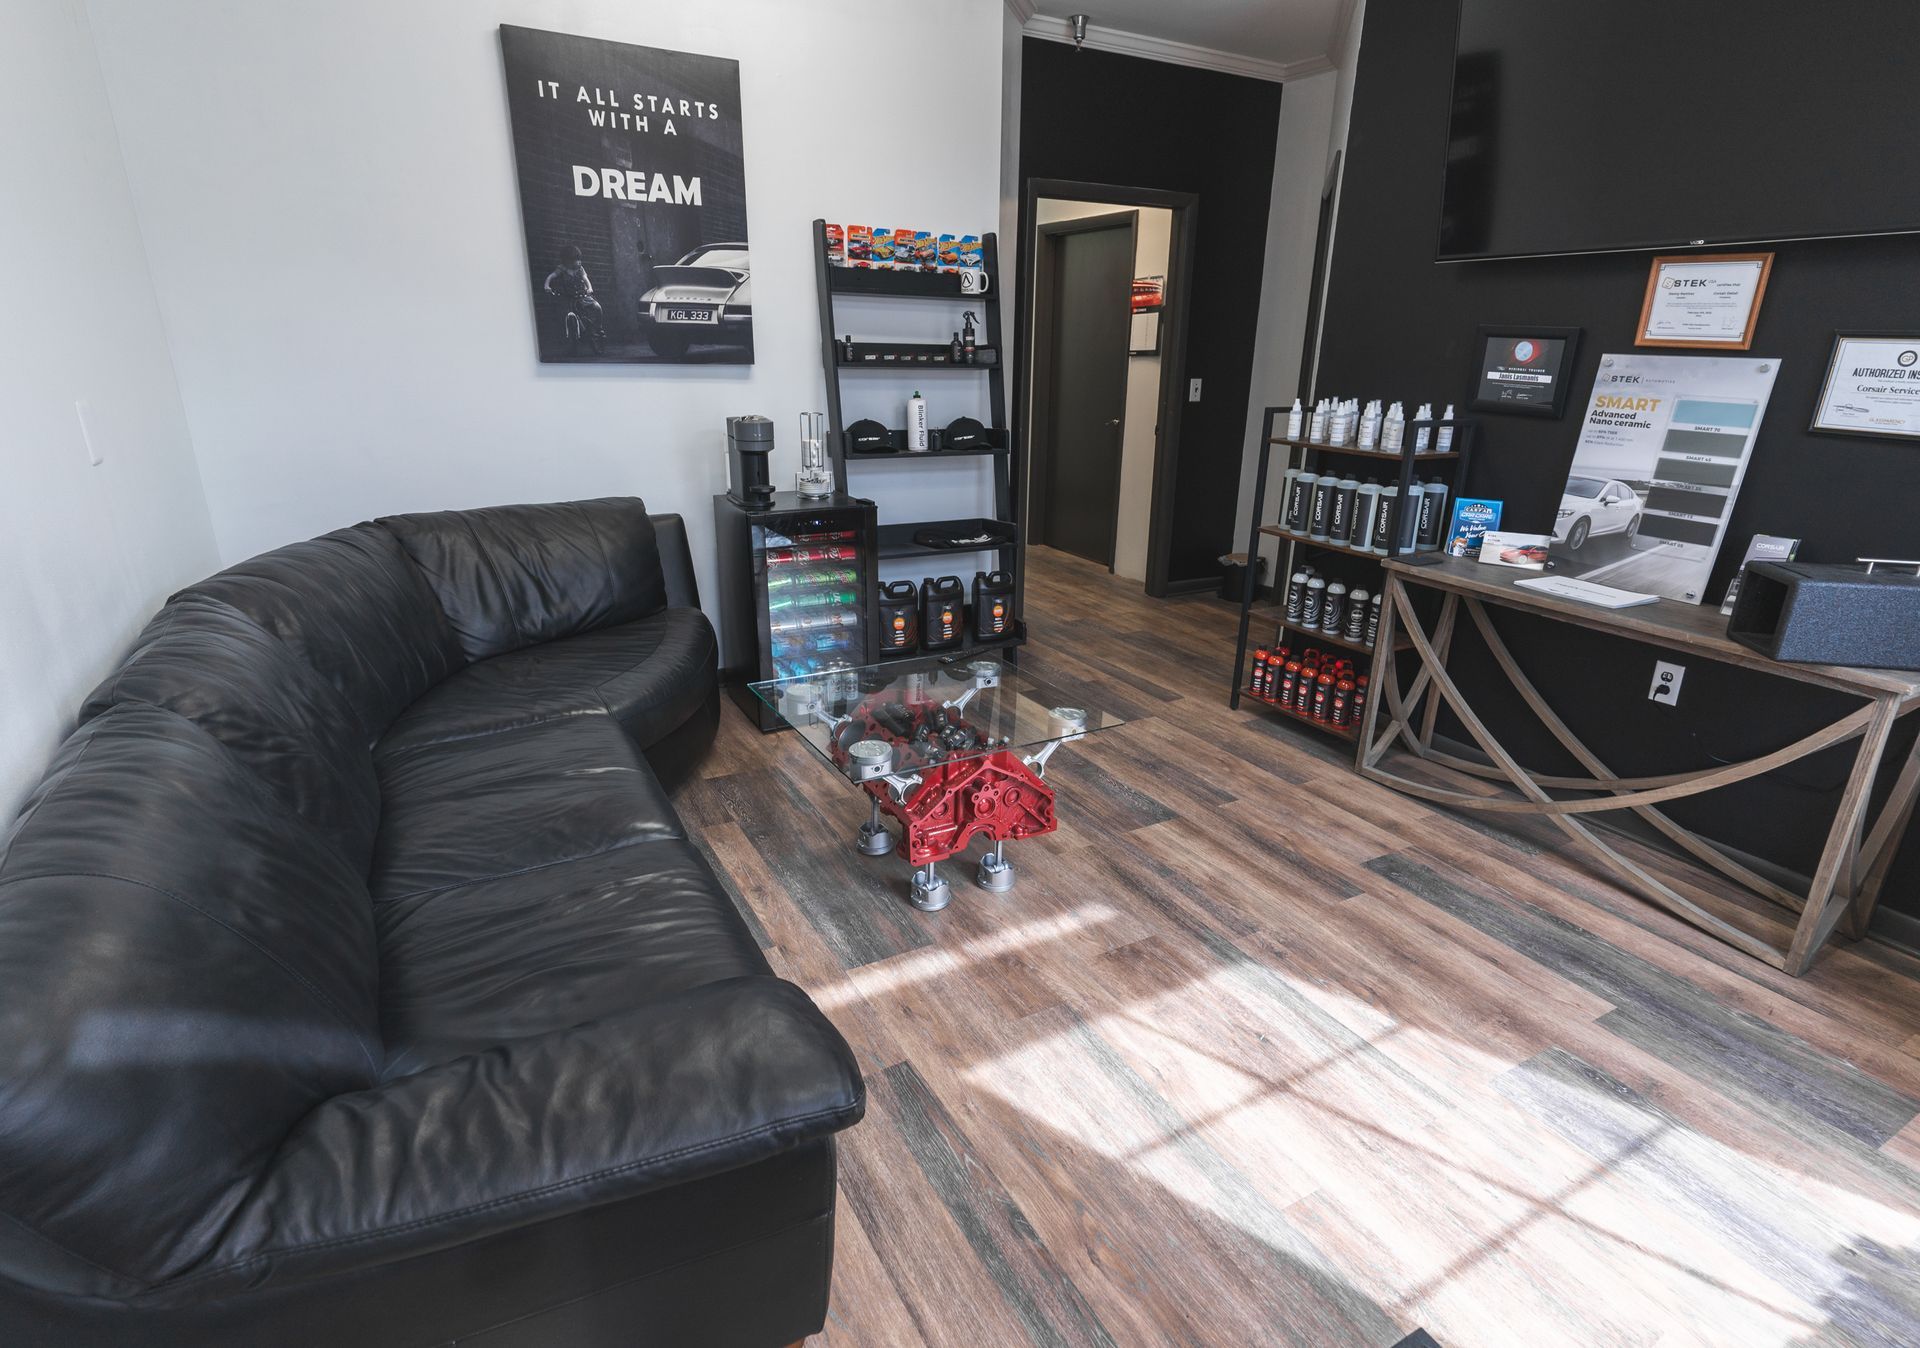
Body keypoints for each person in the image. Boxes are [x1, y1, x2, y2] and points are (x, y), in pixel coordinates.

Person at [542, 244, 604, 337]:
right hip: (568, 297)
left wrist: (589, 288)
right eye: (575, 260)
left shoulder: (580, 269)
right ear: (567, 260)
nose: (579, 262)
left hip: (582, 295)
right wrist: (547, 285)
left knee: (597, 307)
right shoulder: (562, 268)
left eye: (579, 259)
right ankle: (571, 335)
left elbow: (585, 279)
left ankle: (599, 327)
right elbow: (551, 276)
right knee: (565, 313)